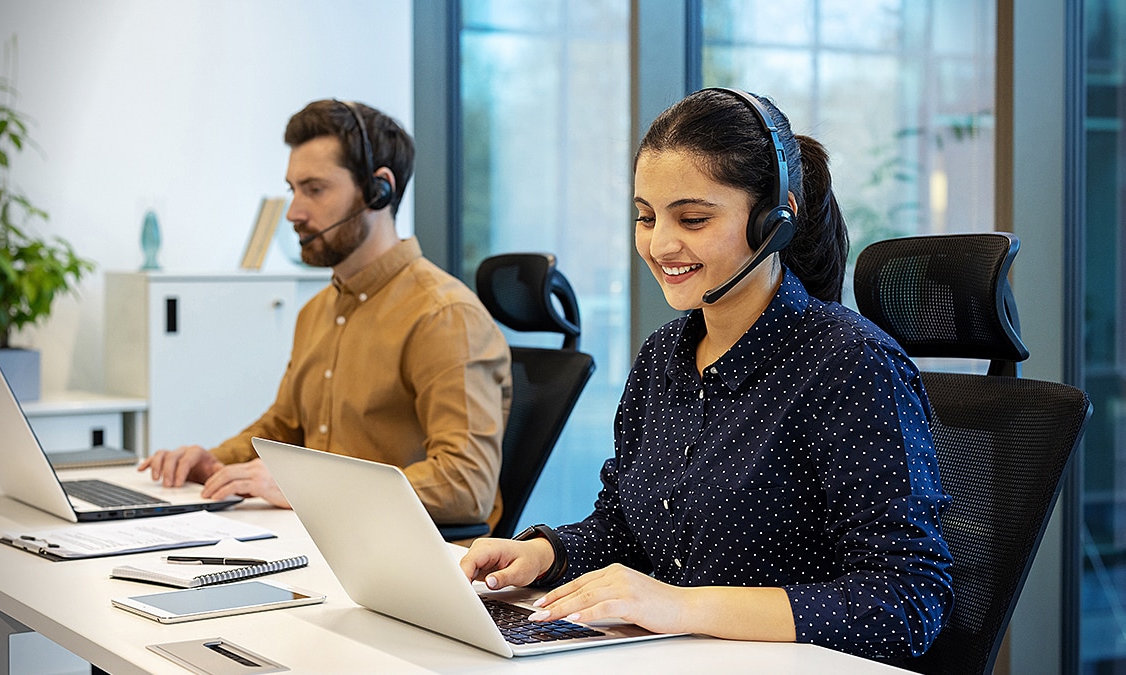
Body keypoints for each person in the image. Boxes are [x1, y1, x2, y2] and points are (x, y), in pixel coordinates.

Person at [459, 88, 953, 661]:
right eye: (645, 217)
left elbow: (906, 600)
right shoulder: (662, 356)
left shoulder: (848, 364)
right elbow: (625, 525)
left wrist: (682, 606)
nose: (661, 244)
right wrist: (546, 552)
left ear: (775, 217)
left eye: (692, 218)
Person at [140, 100, 513, 529]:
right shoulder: (318, 310)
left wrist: (311, 491)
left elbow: (465, 485)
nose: (294, 212)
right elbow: (284, 428)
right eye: (293, 190)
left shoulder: (444, 316)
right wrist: (214, 463)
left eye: (314, 190)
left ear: (379, 190)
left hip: (403, 559)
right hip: (319, 540)